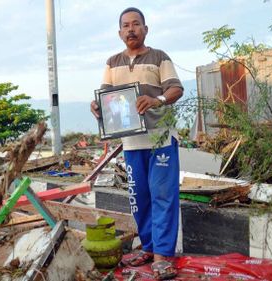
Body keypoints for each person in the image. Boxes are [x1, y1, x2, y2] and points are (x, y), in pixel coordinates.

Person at [90, 7, 183, 280]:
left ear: (145, 29)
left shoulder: (159, 57)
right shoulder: (112, 62)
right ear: (120, 32)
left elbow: (176, 88)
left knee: (162, 196)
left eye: (136, 24)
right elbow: (106, 97)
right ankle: (150, 247)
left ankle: (163, 256)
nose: (131, 29)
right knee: (139, 198)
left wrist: (159, 100)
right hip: (131, 142)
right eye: (126, 26)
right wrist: (97, 106)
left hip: (160, 138)